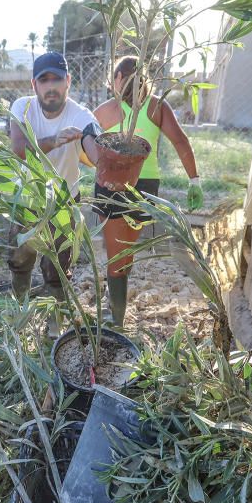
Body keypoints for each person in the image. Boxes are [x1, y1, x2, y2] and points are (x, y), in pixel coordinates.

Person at [92, 56, 200, 328]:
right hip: (146, 186)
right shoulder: (157, 107)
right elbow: (180, 141)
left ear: (117, 79)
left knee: (117, 256)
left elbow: (86, 151)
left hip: (113, 186)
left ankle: (115, 320)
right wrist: (194, 180)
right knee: (125, 252)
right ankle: (115, 307)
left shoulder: (105, 111)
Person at [7, 51, 101, 306]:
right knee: (20, 260)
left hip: (64, 202)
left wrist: (104, 161)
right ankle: (21, 311)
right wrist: (53, 140)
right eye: (44, 80)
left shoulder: (80, 114)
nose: (51, 87)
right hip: (28, 198)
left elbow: (94, 144)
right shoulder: (22, 106)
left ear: (68, 81)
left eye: (56, 80)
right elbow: (18, 149)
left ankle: (55, 321)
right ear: (34, 84)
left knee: (58, 267)